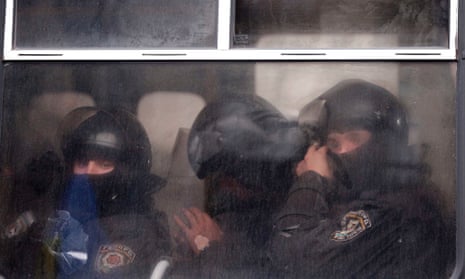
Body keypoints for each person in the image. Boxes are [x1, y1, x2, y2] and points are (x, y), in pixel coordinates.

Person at [269, 79, 453, 278]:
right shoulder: (366, 199)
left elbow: (298, 262)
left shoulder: (399, 209)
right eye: (333, 142)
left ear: (384, 144)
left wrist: (310, 181)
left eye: (354, 138)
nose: (342, 151)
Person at [3, 107, 171, 278]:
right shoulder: (48, 220)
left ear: (128, 174)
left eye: (104, 164)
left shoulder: (140, 235)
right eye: (82, 162)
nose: (88, 172)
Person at [170, 94, 305, 278]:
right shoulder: (241, 216)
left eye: (232, 174)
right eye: (218, 178)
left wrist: (209, 248)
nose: (226, 186)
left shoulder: (298, 218)